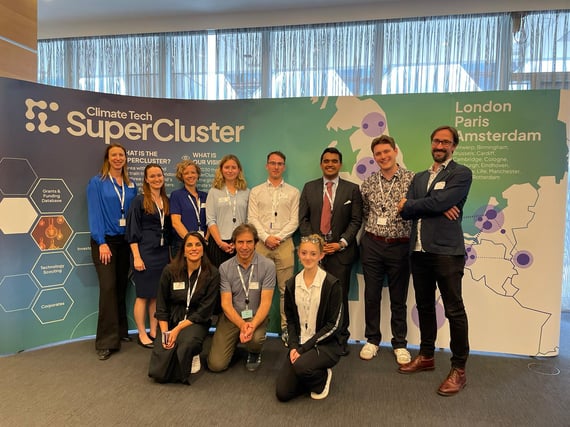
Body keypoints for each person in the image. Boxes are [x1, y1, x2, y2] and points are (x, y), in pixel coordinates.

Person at [397, 125, 472, 396]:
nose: (440, 146)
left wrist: (419, 204)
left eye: (446, 142)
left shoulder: (461, 173)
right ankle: (426, 356)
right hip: (418, 251)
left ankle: (459, 369)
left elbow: (427, 203)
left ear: (454, 146)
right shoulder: (418, 177)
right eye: (436, 141)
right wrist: (435, 205)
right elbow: (407, 213)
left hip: (445, 252)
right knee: (425, 306)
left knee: (454, 310)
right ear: (431, 144)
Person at [299, 147, 362, 355]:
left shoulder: (352, 189)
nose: (330, 164)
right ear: (321, 164)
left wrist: (342, 242)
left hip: (340, 254)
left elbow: (355, 220)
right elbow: (304, 219)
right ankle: (317, 338)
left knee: (339, 297)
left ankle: (341, 339)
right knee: (315, 297)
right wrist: (315, 244)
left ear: (340, 164)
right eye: (326, 161)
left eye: (334, 161)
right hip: (314, 255)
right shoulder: (309, 188)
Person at [359, 135, 415, 365]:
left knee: (398, 298)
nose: (383, 157)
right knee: (371, 295)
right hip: (372, 244)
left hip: (400, 246)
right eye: (378, 154)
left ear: (395, 150)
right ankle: (372, 340)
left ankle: (400, 343)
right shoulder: (369, 182)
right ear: (374, 157)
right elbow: (364, 212)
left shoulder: (413, 180)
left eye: (386, 152)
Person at [275, 235, 343, 401]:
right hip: (299, 344)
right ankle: (306, 371)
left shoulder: (332, 284)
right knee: (283, 394)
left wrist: (303, 349)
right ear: (298, 254)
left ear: (321, 255)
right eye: (304, 253)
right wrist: (293, 346)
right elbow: (290, 320)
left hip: (325, 345)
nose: (308, 257)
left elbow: (333, 326)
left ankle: (323, 378)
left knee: (301, 366)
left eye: (313, 254)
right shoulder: (291, 284)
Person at [87, 143, 138, 361]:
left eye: (121, 155)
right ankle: (106, 342)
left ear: (125, 159)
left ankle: (121, 331)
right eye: (114, 155)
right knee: (108, 288)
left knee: (120, 287)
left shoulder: (130, 184)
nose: (118, 158)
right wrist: (101, 242)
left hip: (125, 242)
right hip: (105, 242)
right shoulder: (97, 183)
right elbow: (95, 213)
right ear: (108, 159)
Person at [149, 232, 220, 384]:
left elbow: (205, 310)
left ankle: (192, 353)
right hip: (173, 318)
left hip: (196, 320)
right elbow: (161, 304)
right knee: (161, 364)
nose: (194, 248)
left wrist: (177, 330)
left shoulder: (212, 273)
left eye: (198, 245)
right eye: (189, 245)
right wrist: (166, 332)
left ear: (203, 249)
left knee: (185, 344)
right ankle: (179, 355)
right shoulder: (169, 271)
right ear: (183, 250)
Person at [207, 223, 275, 372]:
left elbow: (266, 302)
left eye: (249, 242)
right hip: (232, 316)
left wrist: (252, 324)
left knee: (255, 339)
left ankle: (254, 351)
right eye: (240, 242)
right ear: (234, 244)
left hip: (255, 316)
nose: (244, 247)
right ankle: (234, 340)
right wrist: (241, 325)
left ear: (256, 243)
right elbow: (225, 304)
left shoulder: (268, 266)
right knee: (216, 365)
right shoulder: (225, 267)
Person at [248, 151, 300, 347]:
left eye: (280, 164)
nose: (276, 167)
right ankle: (256, 325)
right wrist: (266, 237)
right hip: (261, 244)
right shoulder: (256, 191)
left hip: (285, 244)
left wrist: (278, 237)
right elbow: (252, 218)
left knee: (286, 289)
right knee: (257, 288)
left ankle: (287, 328)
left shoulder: (294, 192)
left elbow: (294, 220)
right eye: (272, 163)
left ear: (284, 167)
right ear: (266, 166)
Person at [127, 163, 171, 348]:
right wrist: (136, 256)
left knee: (156, 296)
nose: (156, 179)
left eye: (159, 175)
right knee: (143, 295)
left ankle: (154, 331)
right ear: (146, 179)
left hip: (162, 253)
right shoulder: (139, 201)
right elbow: (132, 230)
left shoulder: (165, 200)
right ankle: (142, 333)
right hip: (144, 253)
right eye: (152, 176)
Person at [205, 154, 250, 267]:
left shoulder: (246, 192)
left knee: (239, 278)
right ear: (221, 169)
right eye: (227, 167)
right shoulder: (214, 191)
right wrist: (220, 243)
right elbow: (211, 220)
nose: (230, 171)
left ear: (239, 170)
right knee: (219, 279)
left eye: (233, 167)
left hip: (240, 244)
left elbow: (248, 219)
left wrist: (239, 242)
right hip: (218, 243)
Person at [170, 160, 208, 257]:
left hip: (203, 244)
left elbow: (211, 220)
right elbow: (176, 222)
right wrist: (190, 241)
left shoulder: (205, 196)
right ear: (181, 176)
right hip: (183, 244)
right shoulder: (177, 195)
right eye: (186, 173)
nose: (190, 175)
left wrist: (205, 239)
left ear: (198, 174)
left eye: (193, 172)